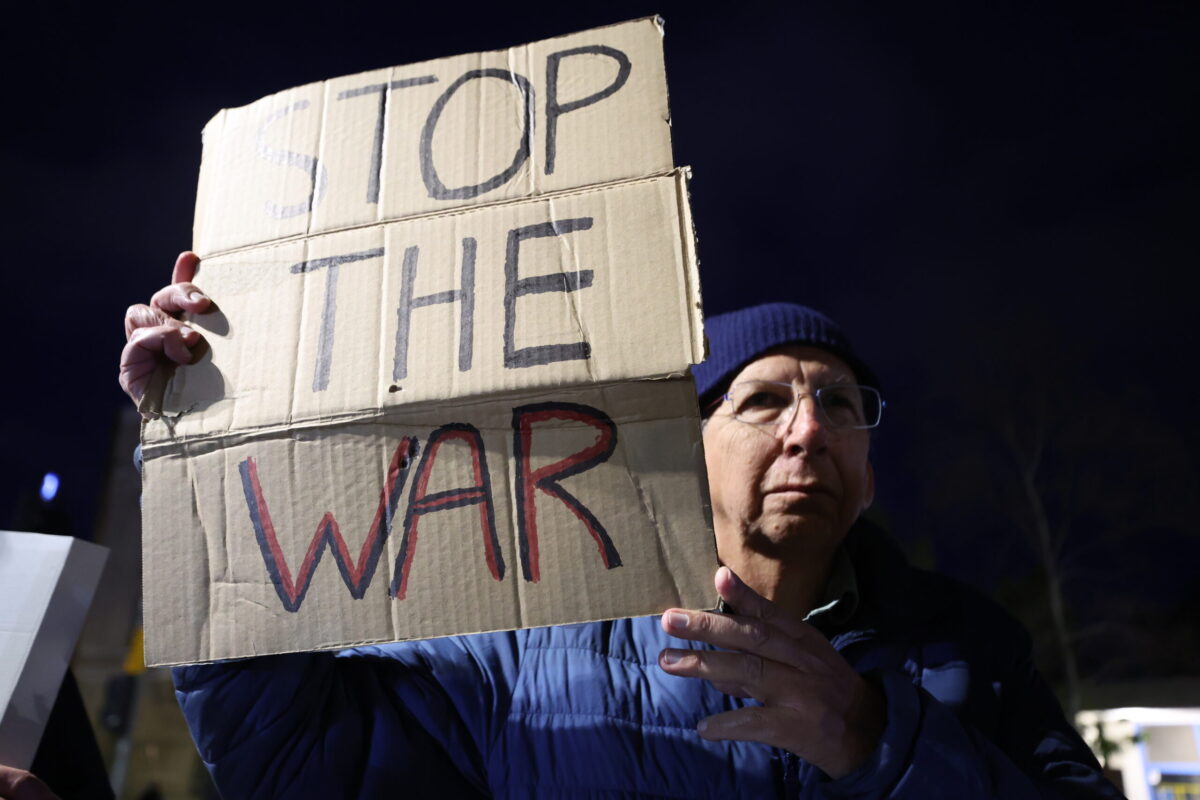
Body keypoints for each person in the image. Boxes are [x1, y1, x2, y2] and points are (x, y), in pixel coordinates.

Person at [120, 253, 1125, 799]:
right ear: (686, 446)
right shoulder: (521, 636)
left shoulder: (972, 653)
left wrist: (878, 742)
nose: (811, 427)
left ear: (868, 466)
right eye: (765, 400)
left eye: (844, 403)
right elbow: (296, 754)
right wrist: (219, 440)